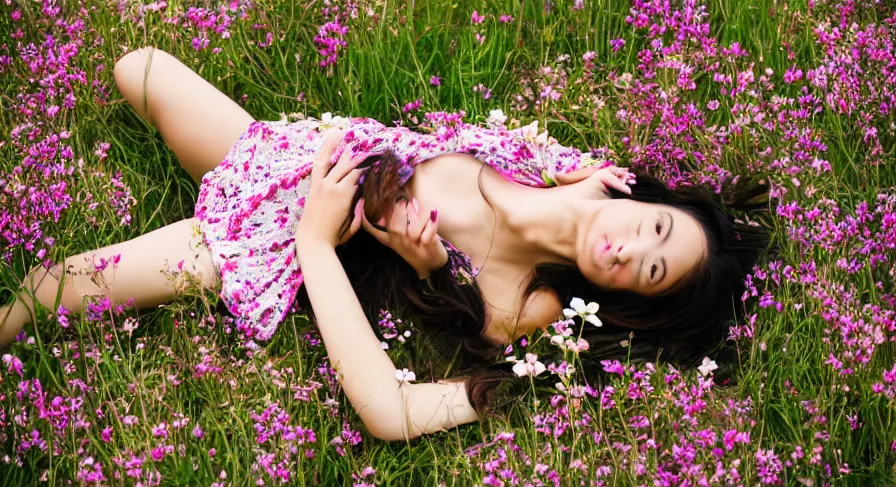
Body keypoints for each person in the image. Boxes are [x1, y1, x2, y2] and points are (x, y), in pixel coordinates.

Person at [0, 47, 769, 441]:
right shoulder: (555, 165)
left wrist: (329, 244)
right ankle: (220, 181)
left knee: (51, 286)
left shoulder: (534, 313)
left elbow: (390, 411)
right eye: (659, 228)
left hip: (273, 245)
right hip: (283, 158)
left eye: (654, 272)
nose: (635, 248)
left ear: (631, 299)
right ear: (643, 196)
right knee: (138, 66)